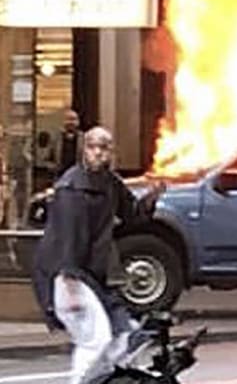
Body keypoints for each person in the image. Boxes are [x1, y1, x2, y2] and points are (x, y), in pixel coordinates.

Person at [32, 127, 165, 384]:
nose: (98, 153)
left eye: (104, 148)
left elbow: (132, 215)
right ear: (85, 150)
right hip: (67, 275)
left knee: (123, 333)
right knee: (95, 339)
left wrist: (152, 197)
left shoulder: (110, 182)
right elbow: (67, 239)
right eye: (93, 147)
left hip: (91, 275)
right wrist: (68, 282)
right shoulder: (72, 189)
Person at [50, 110, 84, 178]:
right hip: (60, 175)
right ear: (63, 121)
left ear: (78, 122)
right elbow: (48, 158)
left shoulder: (84, 138)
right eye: (68, 119)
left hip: (78, 176)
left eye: (73, 119)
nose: (71, 122)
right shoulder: (56, 138)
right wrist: (54, 168)